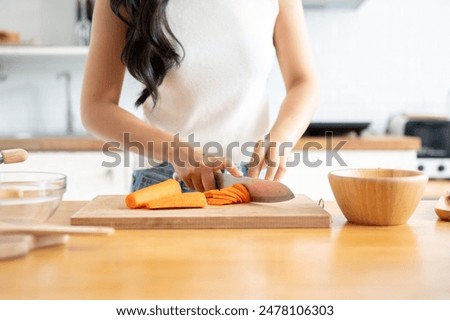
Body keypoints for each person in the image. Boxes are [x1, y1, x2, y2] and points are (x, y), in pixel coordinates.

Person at [81, 0, 319, 192]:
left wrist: (281, 137)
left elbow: (303, 81)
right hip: (164, 181)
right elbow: (96, 107)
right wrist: (176, 151)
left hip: (249, 181)